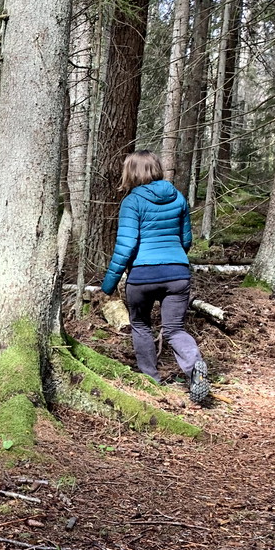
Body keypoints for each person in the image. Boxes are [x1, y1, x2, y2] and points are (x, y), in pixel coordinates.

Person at [100, 150, 210, 405]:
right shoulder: (178, 197)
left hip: (143, 275)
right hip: (177, 274)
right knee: (174, 329)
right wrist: (172, 261)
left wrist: (109, 284)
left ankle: (151, 379)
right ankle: (195, 367)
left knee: (140, 325)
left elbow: (126, 246)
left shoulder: (132, 201)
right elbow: (186, 240)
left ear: (132, 172)